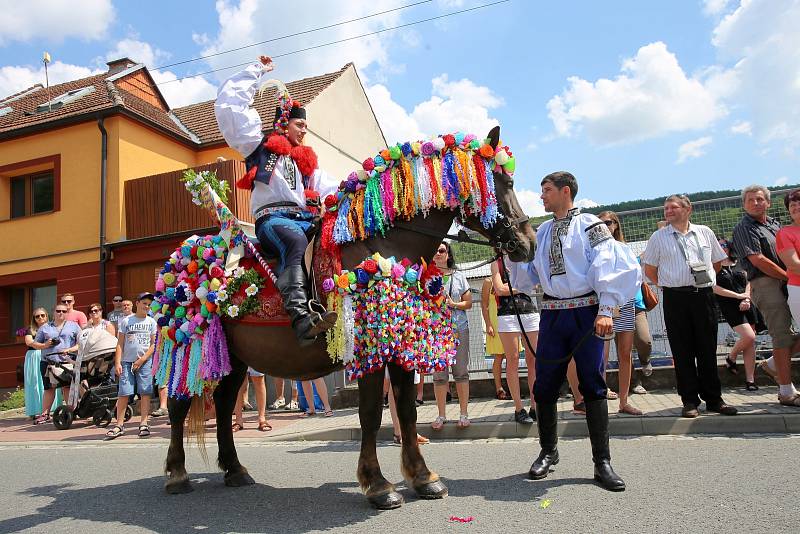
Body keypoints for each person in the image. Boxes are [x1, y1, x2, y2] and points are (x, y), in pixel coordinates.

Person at [526, 171, 640, 491]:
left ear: (565, 192)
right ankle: (548, 452)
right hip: (551, 314)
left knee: (593, 384)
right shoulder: (543, 230)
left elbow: (611, 263)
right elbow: (530, 270)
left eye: (546, 190)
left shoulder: (592, 224)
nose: (542, 196)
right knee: (545, 386)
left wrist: (606, 309)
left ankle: (602, 462)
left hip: (587, 313)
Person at [215, 55, 340, 346]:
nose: (304, 130)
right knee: (294, 242)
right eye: (299, 124)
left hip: (304, 220)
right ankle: (300, 318)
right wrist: (255, 70)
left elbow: (334, 187)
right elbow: (230, 107)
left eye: (306, 126)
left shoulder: (308, 167)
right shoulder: (259, 147)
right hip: (272, 221)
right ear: (283, 123)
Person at [643, 194, 737, 418]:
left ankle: (714, 399)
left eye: (673, 207)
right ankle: (689, 401)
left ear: (688, 209)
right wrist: (668, 284)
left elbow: (716, 262)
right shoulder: (658, 237)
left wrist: (705, 279)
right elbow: (649, 270)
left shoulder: (705, 232)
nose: (668, 211)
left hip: (703, 295)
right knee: (682, 350)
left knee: (707, 348)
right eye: (665, 208)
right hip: (676, 298)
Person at [733, 185, 800, 407]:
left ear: (768, 203)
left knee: (791, 334)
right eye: (750, 200)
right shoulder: (744, 227)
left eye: (760, 199)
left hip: (787, 282)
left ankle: (772, 364)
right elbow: (758, 259)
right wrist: (786, 275)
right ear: (744, 204)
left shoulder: (774, 224)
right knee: (781, 334)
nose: (755, 203)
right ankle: (786, 391)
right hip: (766, 283)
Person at [597, 211, 643, 415]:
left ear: (616, 225)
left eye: (608, 222)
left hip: (624, 304)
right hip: (602, 306)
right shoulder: (594, 249)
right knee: (601, 356)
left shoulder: (625, 249)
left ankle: (624, 401)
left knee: (625, 354)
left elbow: (634, 278)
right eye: (600, 223)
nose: (604, 226)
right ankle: (599, 399)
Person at [429, 242, 473, 430]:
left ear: (448, 254)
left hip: (459, 328)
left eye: (442, 251)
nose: (438, 254)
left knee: (461, 372)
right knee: (439, 375)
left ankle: (463, 414)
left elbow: (468, 303)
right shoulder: (427, 277)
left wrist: (452, 304)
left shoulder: (459, 276)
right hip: (437, 331)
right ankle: (441, 415)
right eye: (436, 251)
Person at [491, 255, 538, 425]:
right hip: (507, 314)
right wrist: (522, 287)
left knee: (533, 359)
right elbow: (499, 290)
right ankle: (519, 408)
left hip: (529, 312)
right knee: (513, 359)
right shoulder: (496, 262)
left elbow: (534, 282)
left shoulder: (524, 259)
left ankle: (535, 406)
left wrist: (513, 287)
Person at [105, 292, 157, 440]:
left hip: (144, 362)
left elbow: (153, 345)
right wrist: (118, 362)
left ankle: (144, 424)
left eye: (149, 304)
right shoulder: (127, 321)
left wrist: (142, 360)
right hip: (127, 363)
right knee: (124, 393)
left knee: (145, 393)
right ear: (137, 303)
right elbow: (120, 343)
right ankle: (119, 425)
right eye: (144, 303)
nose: (146, 306)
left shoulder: (151, 322)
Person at [714, 238, 758, 390]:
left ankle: (750, 380)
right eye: (719, 245)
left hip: (747, 303)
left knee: (751, 341)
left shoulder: (738, 262)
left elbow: (749, 280)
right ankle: (731, 357)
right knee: (748, 336)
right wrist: (738, 297)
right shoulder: (714, 266)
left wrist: (746, 296)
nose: (722, 248)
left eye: (725, 245)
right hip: (730, 306)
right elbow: (714, 288)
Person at [30, 304, 81, 425]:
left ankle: (71, 412)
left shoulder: (74, 326)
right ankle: (45, 414)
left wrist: (69, 350)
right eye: (58, 311)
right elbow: (34, 344)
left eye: (64, 311)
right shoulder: (45, 327)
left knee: (68, 387)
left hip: (67, 361)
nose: (61, 313)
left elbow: (81, 343)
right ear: (53, 313)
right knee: (49, 388)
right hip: (48, 362)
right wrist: (45, 345)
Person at [23, 308, 61, 419]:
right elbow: (29, 342)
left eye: (42, 315)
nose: (40, 318)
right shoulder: (30, 329)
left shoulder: (52, 327)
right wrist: (44, 345)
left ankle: (52, 409)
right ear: (34, 319)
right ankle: (35, 410)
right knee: (34, 383)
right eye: (37, 316)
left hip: (49, 356)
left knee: (52, 381)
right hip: (34, 357)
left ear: (46, 316)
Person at [481, 277, 510, 399]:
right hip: (495, 322)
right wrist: (488, 324)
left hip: (509, 321)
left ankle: (512, 387)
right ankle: (499, 388)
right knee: (498, 356)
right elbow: (484, 304)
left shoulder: (511, 278)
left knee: (511, 356)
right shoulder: (489, 281)